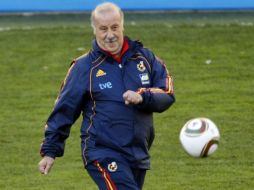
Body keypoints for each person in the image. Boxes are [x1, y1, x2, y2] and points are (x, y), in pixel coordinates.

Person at [38, 2, 175, 190]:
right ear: (94, 30)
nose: (110, 35)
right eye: (103, 29)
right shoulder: (84, 67)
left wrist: (142, 97)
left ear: (122, 26)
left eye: (114, 27)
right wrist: (50, 151)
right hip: (101, 152)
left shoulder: (146, 58)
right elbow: (64, 110)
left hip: (137, 152)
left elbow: (167, 94)